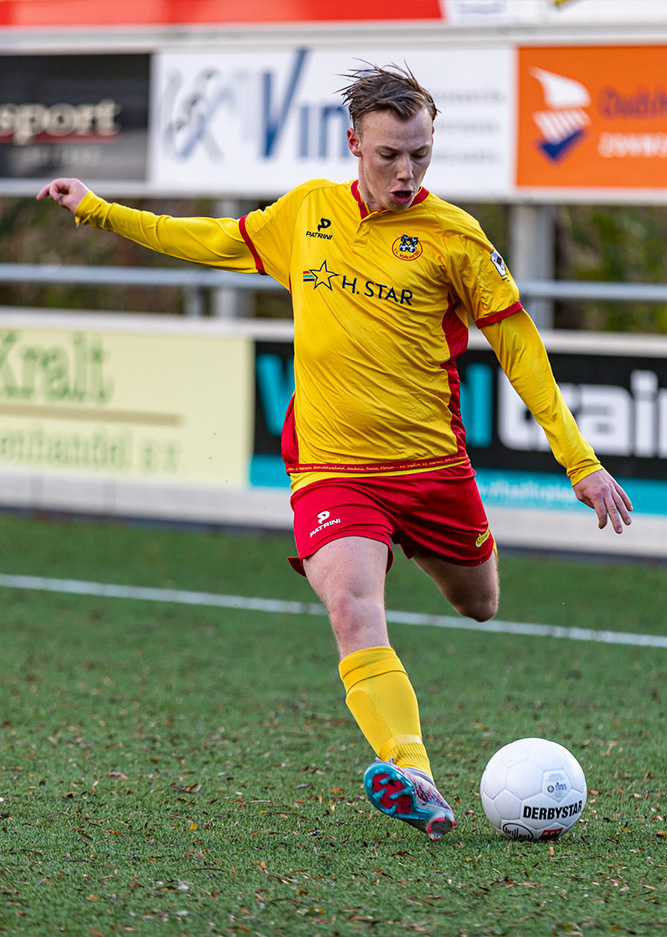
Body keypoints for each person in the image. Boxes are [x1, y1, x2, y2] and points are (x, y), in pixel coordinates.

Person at [38, 64, 632, 843]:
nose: (406, 172)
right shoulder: (307, 212)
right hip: (332, 468)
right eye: (389, 155)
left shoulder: (455, 237)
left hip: (430, 470)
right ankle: (412, 769)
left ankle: (414, 567)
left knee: (480, 602)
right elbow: (213, 240)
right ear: (354, 144)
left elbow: (520, 348)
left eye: (419, 153)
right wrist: (99, 210)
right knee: (352, 606)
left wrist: (579, 460)